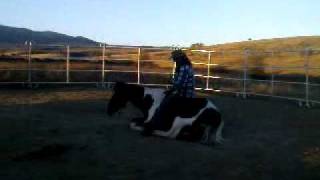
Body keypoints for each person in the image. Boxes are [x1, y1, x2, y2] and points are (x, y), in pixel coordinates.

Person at [142, 49, 195, 136]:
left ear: (180, 58)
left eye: (175, 59)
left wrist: (171, 84)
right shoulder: (185, 66)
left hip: (184, 94)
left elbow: (179, 85)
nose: (174, 60)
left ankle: (154, 126)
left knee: (164, 104)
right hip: (183, 91)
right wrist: (171, 87)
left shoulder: (183, 68)